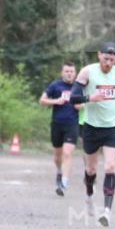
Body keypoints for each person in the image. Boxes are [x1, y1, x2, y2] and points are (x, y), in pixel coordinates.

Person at [69, 42, 115, 226]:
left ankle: (107, 211)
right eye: (105, 58)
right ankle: (89, 195)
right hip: (91, 127)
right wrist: (90, 97)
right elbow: (73, 98)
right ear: (99, 55)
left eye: (112, 59)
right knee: (91, 169)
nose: (108, 63)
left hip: (113, 127)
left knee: (110, 167)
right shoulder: (87, 72)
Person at [39, 62, 79, 196]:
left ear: (75, 73)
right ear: (62, 73)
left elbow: (88, 102)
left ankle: (64, 183)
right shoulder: (55, 85)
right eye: (67, 71)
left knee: (67, 153)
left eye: (72, 71)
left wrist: (82, 105)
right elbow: (42, 100)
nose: (69, 74)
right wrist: (56, 101)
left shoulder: (79, 87)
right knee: (57, 156)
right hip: (57, 123)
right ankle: (59, 171)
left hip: (72, 124)